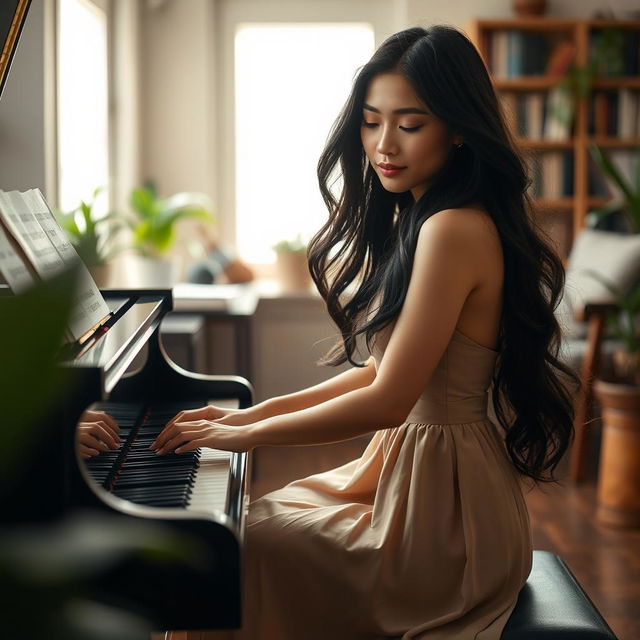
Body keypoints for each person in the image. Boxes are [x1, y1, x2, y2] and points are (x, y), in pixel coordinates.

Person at [150, 24, 581, 640]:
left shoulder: (452, 229)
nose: (384, 145)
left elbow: (388, 400)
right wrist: (244, 419)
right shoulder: (425, 216)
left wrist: (246, 436)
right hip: (414, 480)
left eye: (409, 125)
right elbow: (380, 370)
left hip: (445, 521)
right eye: (371, 121)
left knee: (240, 547)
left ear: (458, 128)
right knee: (250, 523)